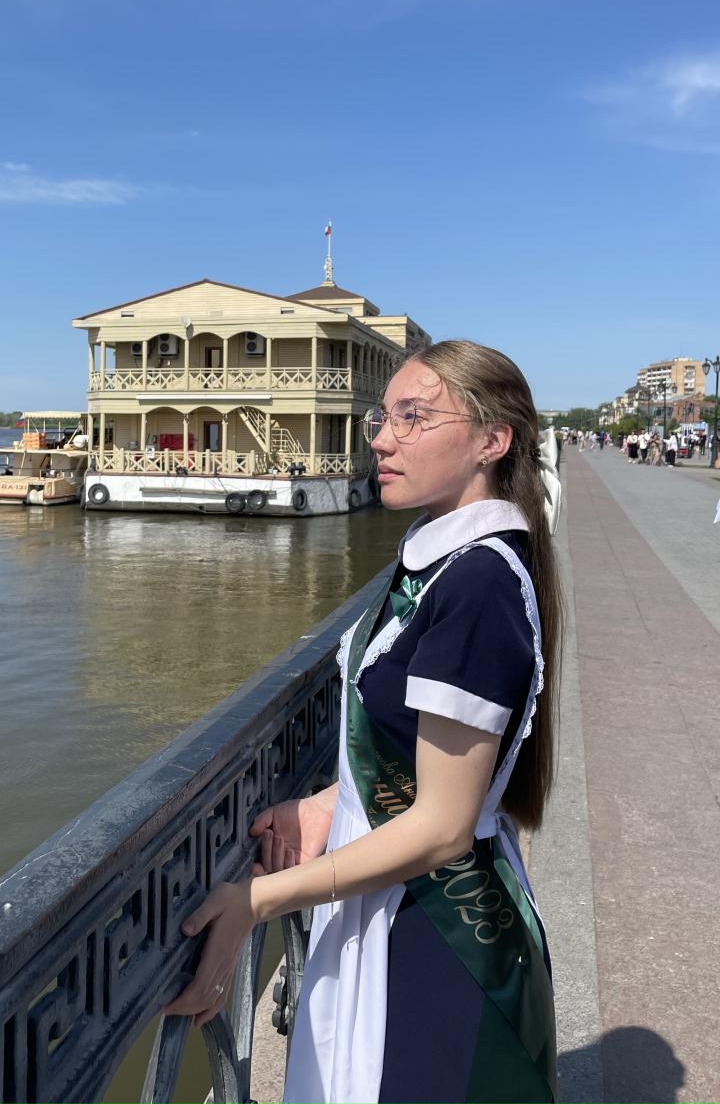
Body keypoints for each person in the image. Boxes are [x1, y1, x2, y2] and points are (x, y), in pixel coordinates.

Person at [164, 341, 561, 1103]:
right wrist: (331, 801)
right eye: (383, 417)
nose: (380, 438)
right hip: (389, 900)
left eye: (414, 418)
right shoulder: (438, 561)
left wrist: (258, 901)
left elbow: (442, 826)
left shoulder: (478, 584)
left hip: (435, 929)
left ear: (492, 439)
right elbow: (406, 740)